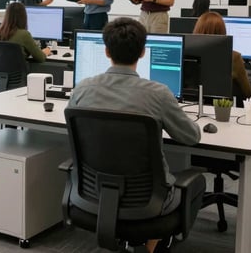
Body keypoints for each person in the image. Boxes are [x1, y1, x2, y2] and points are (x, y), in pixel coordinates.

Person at [68, 18, 200, 253]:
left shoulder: (82, 89)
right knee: (196, 182)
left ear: (106, 51)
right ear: (142, 53)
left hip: (92, 194)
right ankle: (154, 242)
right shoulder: (158, 93)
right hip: (148, 203)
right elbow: (191, 137)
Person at [193, 11, 251, 98]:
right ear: (222, 31)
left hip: (193, 106)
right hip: (223, 109)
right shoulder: (234, 57)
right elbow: (248, 93)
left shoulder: (188, 55)